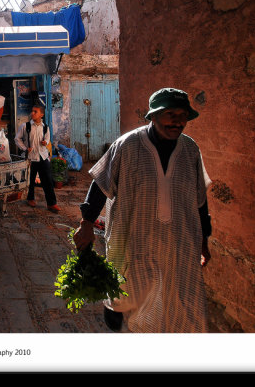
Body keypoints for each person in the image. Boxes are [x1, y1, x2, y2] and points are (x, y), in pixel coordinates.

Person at [72, 87, 212, 333]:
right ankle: (115, 309)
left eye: (183, 115)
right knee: (127, 292)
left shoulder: (190, 150)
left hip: (179, 243)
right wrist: (86, 224)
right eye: (170, 113)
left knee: (178, 301)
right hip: (133, 239)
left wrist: (204, 241)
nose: (178, 120)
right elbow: (100, 184)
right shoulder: (127, 146)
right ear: (153, 116)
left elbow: (200, 199)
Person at [14, 103, 60, 213]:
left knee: (48, 181)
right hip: (30, 158)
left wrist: (45, 142)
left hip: (43, 157)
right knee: (30, 179)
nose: (32, 113)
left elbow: (48, 139)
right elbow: (17, 139)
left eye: (35, 112)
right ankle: (30, 198)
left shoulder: (45, 127)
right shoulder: (25, 126)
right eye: (32, 111)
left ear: (41, 115)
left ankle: (52, 203)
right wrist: (25, 148)